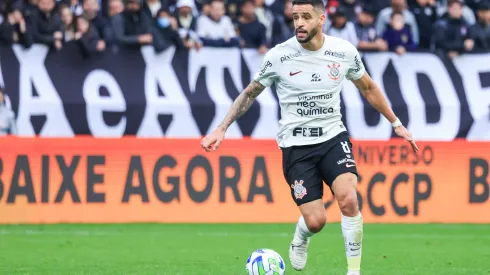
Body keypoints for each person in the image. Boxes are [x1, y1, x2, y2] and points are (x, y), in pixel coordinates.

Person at [200, 0, 418, 274]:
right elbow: (250, 93)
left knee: (349, 198)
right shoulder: (279, 56)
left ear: (321, 19)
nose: (299, 23)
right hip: (296, 146)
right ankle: (301, 237)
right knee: (316, 221)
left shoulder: (343, 51)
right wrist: (222, 127)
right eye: (295, 17)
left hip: (332, 137)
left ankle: (354, 271)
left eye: (306, 17)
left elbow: (368, 87)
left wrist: (396, 123)